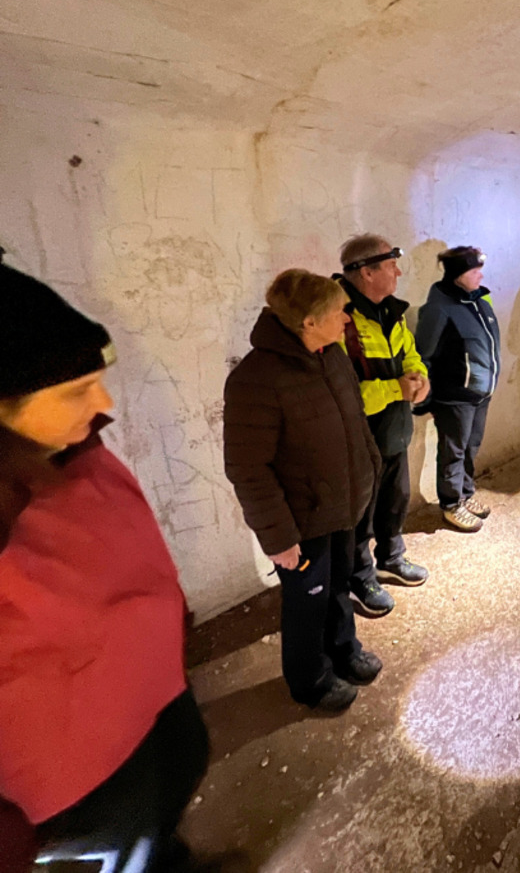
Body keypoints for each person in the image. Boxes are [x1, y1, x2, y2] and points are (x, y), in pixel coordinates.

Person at [0, 265, 209, 872]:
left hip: (152, 699)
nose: (105, 404)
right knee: (130, 836)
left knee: (160, 812)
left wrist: (169, 624)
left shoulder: (70, 448)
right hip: (73, 766)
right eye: (76, 391)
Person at [223, 270, 383, 712]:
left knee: (338, 587)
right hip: (301, 520)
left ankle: (344, 651)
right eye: (339, 312)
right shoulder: (256, 379)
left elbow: (356, 425)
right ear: (308, 322)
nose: (347, 319)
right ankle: (310, 680)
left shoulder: (333, 357)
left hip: (342, 506)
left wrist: (370, 475)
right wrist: (278, 539)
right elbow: (247, 468)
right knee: (307, 601)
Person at [334, 234, 431, 619]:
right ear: (367, 272)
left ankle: (391, 558)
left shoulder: (390, 311)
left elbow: (410, 354)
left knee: (395, 499)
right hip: (359, 440)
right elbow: (342, 395)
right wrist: (396, 390)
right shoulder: (338, 318)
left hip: (393, 431)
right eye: (392, 266)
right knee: (360, 514)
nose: (398, 272)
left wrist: (420, 378)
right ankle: (360, 577)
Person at [414, 246, 500, 533]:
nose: (481, 276)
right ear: (458, 276)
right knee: (453, 452)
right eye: (474, 271)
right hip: (454, 396)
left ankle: (464, 494)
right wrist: (427, 397)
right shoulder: (439, 308)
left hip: (480, 393)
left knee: (470, 448)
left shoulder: (479, 301)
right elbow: (424, 354)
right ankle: (451, 504)